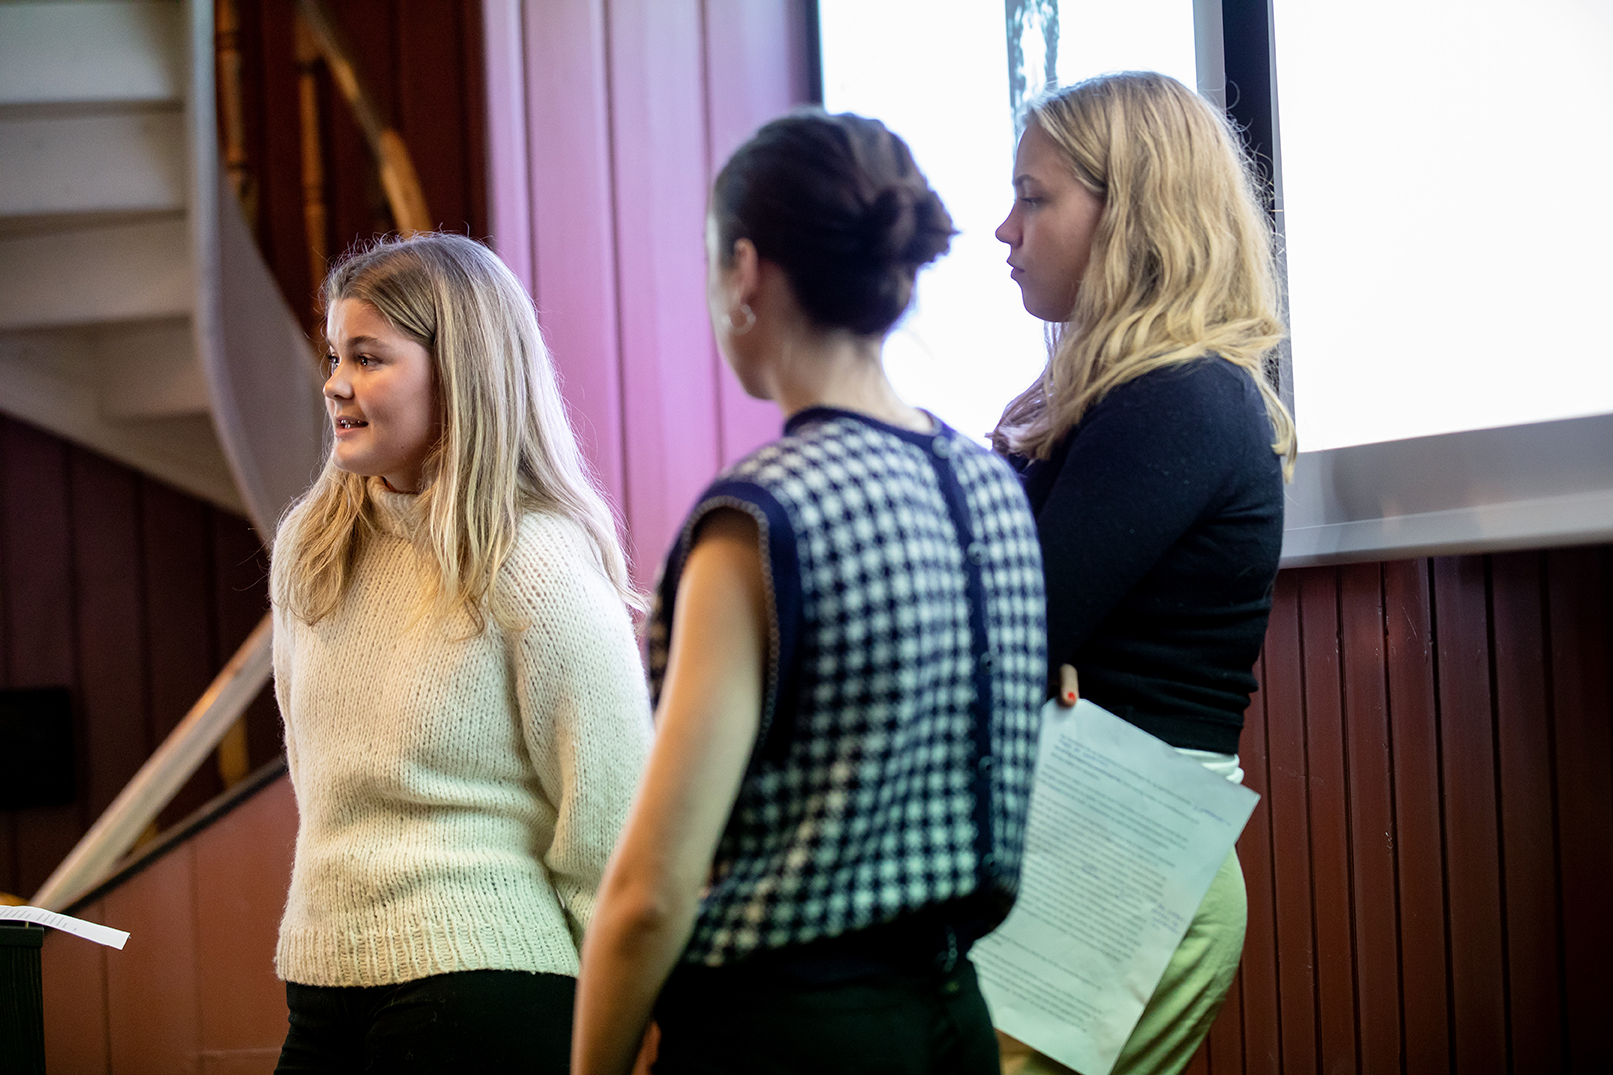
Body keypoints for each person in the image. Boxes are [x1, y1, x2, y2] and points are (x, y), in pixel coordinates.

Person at [571, 111, 1048, 1075]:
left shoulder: (761, 518)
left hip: (783, 1032)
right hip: (953, 1015)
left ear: (744, 271)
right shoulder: (993, 486)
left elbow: (653, 888)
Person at [269, 232, 653, 1074]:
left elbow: (610, 819)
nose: (335, 381)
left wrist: (611, 1030)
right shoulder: (313, 543)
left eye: (368, 357)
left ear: (462, 373)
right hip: (323, 976)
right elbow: (316, 769)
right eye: (334, 354)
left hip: (489, 980)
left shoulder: (533, 557)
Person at [990, 72, 1296, 1075]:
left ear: (1130, 214)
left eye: (1033, 197)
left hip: (1114, 847)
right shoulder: (1113, 405)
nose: (1004, 227)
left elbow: (995, 629)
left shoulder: (1180, 399)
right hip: (1090, 840)